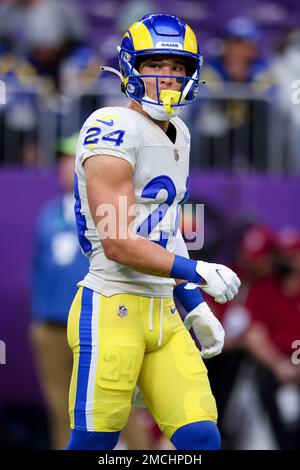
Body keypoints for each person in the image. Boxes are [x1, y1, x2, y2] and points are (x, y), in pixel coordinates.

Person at [66, 13, 240, 451]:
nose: (167, 77)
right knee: (93, 444)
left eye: (177, 67)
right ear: (131, 67)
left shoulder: (179, 133)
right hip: (111, 307)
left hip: (163, 312)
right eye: (155, 65)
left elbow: (165, 230)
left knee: (201, 435)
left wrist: (191, 302)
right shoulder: (111, 127)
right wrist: (196, 269)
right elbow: (119, 240)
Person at [30, 134, 89, 449]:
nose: (65, 167)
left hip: (92, 326)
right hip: (50, 325)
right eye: (63, 161)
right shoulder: (49, 213)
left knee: (113, 407)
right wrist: (38, 318)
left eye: (73, 160)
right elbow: (37, 269)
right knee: (59, 410)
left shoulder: (105, 211)